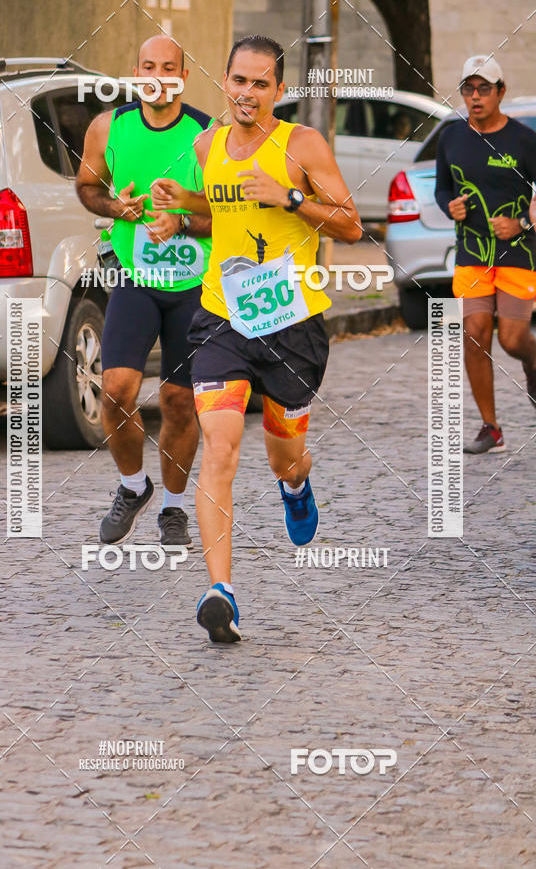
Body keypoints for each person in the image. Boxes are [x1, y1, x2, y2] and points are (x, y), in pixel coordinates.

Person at [152, 35, 361, 643]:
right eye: (238, 81)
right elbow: (219, 211)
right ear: (224, 81)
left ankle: (295, 484)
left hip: (291, 327)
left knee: (282, 454)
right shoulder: (205, 142)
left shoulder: (301, 144)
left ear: (280, 90)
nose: (246, 93)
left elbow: (350, 224)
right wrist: (178, 211)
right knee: (219, 449)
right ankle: (222, 592)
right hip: (220, 319)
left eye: (260, 84)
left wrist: (291, 198)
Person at [76, 36, 216, 546]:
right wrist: (117, 207)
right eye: (149, 66)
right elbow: (88, 187)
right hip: (135, 280)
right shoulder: (109, 127)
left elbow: (225, 211)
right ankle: (133, 487)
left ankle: (174, 510)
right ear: (136, 72)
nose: (158, 75)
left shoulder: (207, 135)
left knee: (180, 402)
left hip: (194, 286)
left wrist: (181, 223)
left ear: (183, 74)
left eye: (169, 67)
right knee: (115, 390)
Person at [435, 55, 536, 454]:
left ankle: (531, 361)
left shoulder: (524, 140)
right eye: (468, 89)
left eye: (484, 89)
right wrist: (450, 207)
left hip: (517, 252)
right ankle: (490, 428)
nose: (475, 98)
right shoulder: (451, 137)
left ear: (500, 93)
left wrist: (523, 225)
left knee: (512, 339)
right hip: (472, 252)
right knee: (475, 334)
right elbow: (443, 189)